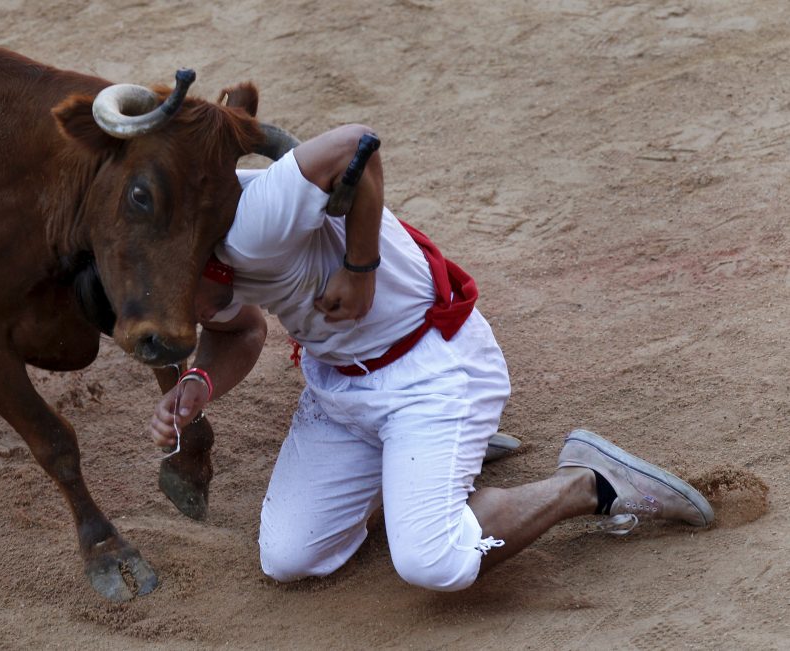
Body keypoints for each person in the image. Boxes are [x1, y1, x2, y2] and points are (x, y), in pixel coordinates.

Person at [149, 124, 714, 591]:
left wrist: (360, 267)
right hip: (339, 391)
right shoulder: (186, 252)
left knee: (433, 562)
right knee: (288, 557)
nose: (176, 324)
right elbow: (238, 328)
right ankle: (421, 462)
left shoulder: (255, 224)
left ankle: (588, 480)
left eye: (170, 309)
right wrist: (199, 379)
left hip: (431, 371)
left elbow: (356, 145)